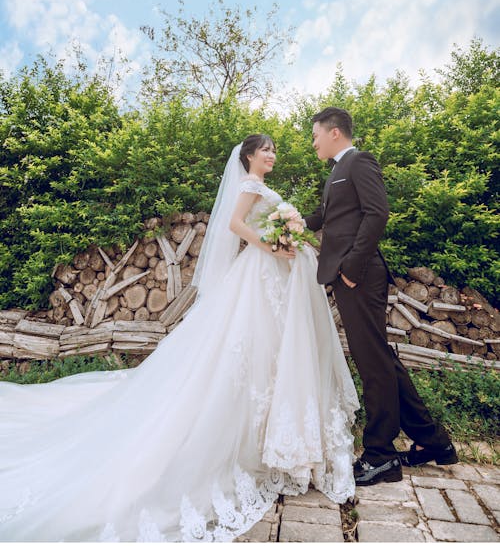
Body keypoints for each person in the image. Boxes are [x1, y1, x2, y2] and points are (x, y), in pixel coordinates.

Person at [0, 134, 359, 542]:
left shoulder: (262, 187)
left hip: (272, 277)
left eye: (274, 150)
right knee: (245, 352)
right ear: (248, 157)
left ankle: (281, 437)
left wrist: (287, 238)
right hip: (260, 273)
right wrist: (273, 246)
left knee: (272, 353)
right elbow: (235, 225)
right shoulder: (247, 186)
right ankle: (257, 441)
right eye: (266, 151)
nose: (272, 155)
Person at [305, 107, 457, 486]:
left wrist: (351, 268)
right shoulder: (336, 172)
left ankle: (381, 455)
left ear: (335, 132)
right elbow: (327, 217)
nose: (313, 142)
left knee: (372, 363)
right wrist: (286, 219)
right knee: (380, 359)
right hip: (351, 277)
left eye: (315, 135)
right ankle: (433, 442)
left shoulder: (359, 162)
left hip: (360, 276)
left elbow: (378, 213)